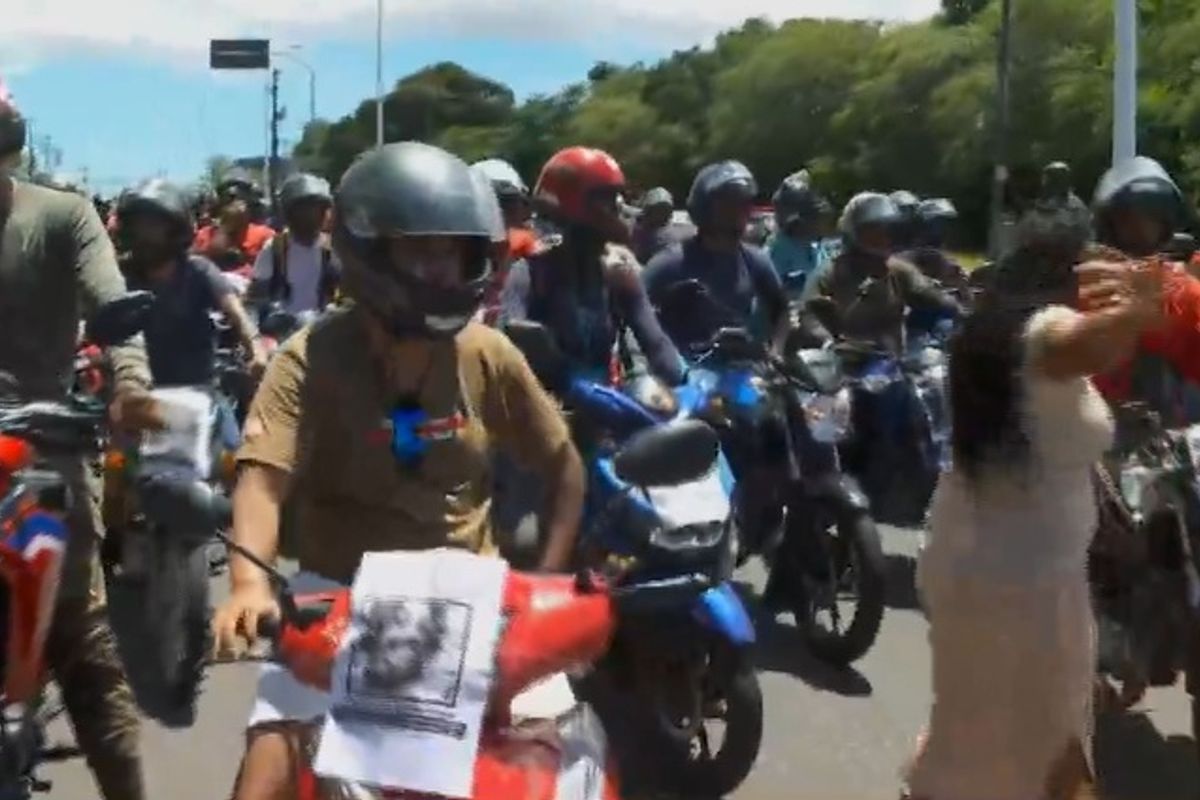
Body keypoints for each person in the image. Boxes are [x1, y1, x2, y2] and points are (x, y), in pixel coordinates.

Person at [211, 142, 584, 800]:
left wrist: (548, 585)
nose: (439, 271)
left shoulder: (488, 353)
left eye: (452, 254)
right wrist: (247, 584)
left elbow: (563, 467)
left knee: (563, 762)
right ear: (368, 253)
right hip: (337, 601)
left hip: (473, 601)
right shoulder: (310, 357)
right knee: (268, 763)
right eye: (420, 252)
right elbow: (262, 482)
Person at [904, 203, 1163, 800]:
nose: (1111, 269)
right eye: (1098, 261)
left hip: (979, 565)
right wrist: (1138, 308)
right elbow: (1089, 347)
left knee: (973, 734)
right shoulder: (1043, 333)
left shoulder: (989, 334)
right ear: (1066, 271)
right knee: (1048, 753)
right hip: (1024, 588)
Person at [0, 79, 158, 800]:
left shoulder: (61, 217)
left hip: (37, 449)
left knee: (83, 649)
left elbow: (111, 303)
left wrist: (129, 386)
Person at [499, 146, 685, 385]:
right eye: (605, 199)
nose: (616, 209)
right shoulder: (528, 275)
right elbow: (505, 345)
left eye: (616, 197)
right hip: (547, 409)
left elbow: (656, 342)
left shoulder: (618, 274)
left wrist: (687, 384)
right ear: (571, 206)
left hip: (610, 406)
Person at [116, 178, 269, 387]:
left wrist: (256, 350)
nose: (144, 234)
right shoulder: (120, 274)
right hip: (136, 393)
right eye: (138, 226)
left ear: (174, 229)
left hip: (198, 392)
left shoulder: (198, 270)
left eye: (153, 225)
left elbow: (237, 314)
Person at [1087, 156, 1200, 422]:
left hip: (1170, 435)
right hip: (1096, 427)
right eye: (1129, 220)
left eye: (1151, 220)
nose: (1142, 230)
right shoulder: (1087, 281)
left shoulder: (1180, 285)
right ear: (1109, 224)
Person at [644, 160, 789, 356]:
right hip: (685, 374)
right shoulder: (669, 264)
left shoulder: (755, 260)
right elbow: (634, 309)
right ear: (704, 207)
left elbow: (781, 309)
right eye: (729, 203)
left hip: (741, 370)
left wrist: (776, 350)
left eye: (744, 202)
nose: (739, 210)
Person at [798, 192, 962, 354]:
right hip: (844, 366)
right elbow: (809, 314)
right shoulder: (830, 273)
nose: (883, 238)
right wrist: (828, 342)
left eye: (887, 231)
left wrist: (959, 309)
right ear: (853, 234)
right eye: (873, 233)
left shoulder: (898, 271)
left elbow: (930, 295)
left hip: (893, 368)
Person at [249, 172, 339, 317]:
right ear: (289, 213)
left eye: (314, 209)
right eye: (302, 210)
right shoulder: (275, 248)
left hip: (322, 326)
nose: (309, 216)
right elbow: (256, 297)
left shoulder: (334, 249)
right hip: (282, 329)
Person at [471, 159, 538, 324]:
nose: (499, 213)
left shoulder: (526, 266)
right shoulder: (453, 265)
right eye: (489, 203)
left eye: (508, 204)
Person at [192, 170, 275, 276]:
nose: (234, 203)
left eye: (239, 197)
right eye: (228, 199)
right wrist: (225, 228)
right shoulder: (204, 235)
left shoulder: (265, 235)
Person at [766, 170, 834, 296]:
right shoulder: (777, 252)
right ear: (798, 220)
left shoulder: (817, 247)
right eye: (814, 217)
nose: (820, 223)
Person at [903, 198, 968, 293]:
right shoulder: (917, 252)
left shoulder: (942, 251)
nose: (944, 227)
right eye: (939, 221)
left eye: (946, 222)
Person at [631, 187, 681, 264]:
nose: (660, 215)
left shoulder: (665, 237)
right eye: (657, 210)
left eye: (664, 211)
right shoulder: (639, 223)